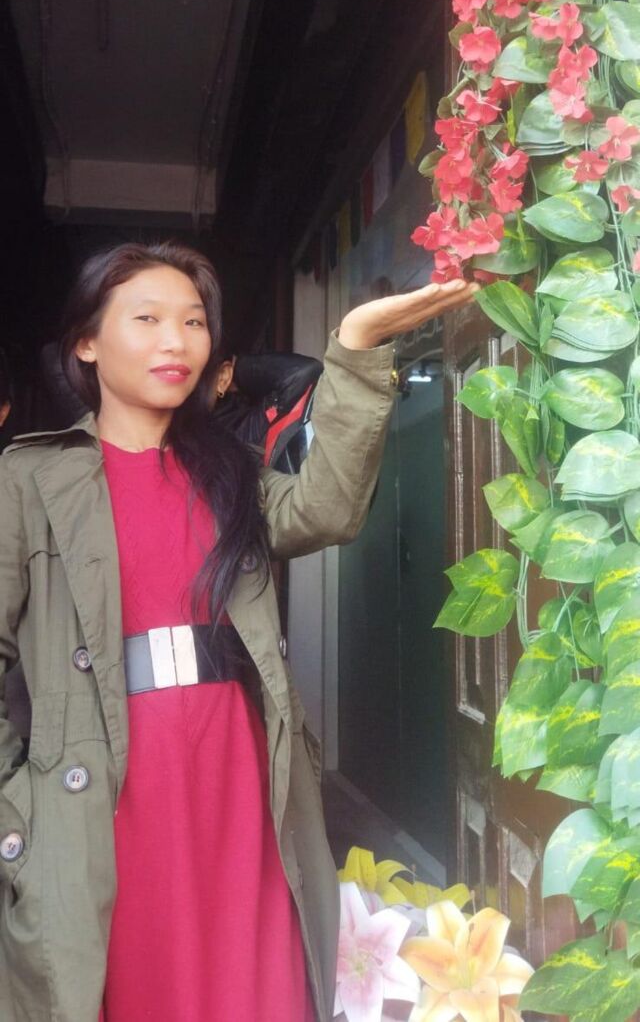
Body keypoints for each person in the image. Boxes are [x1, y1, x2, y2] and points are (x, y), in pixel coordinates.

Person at [0, 241, 475, 1022]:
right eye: (147, 319)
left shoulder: (228, 470)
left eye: (193, 322)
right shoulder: (29, 479)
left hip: (237, 767)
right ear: (86, 342)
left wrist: (356, 346)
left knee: (250, 984)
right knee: (130, 981)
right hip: (105, 787)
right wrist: (18, 804)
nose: (176, 341)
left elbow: (326, 507)